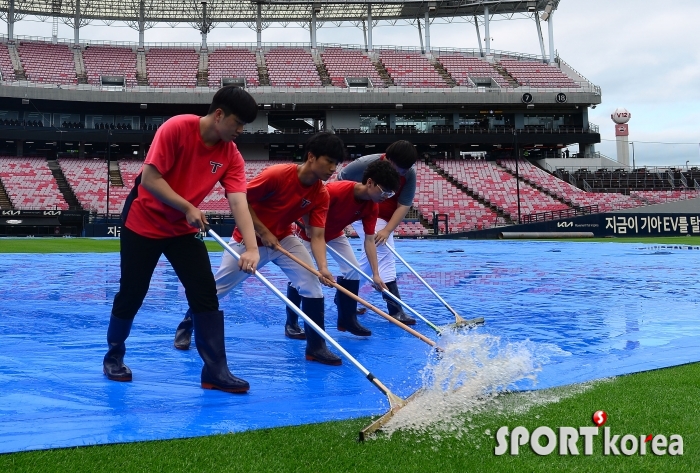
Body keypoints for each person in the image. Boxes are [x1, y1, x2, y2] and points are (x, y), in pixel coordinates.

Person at [102, 85, 261, 395]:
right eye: (238, 123)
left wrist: (252, 248)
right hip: (143, 223)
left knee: (204, 293)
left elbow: (239, 200)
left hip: (181, 231)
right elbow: (150, 178)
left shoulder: (231, 155)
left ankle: (215, 370)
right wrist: (188, 206)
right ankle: (113, 357)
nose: (241, 130)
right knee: (132, 292)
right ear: (219, 115)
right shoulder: (176, 128)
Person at [173, 131, 345, 366]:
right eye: (329, 161)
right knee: (218, 289)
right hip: (247, 240)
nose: (332, 168)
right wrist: (263, 232)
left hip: (283, 240)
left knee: (312, 284)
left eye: (336, 163)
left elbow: (317, 234)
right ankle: (187, 325)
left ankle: (316, 347)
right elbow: (241, 200)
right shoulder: (278, 174)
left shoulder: (321, 194)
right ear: (312, 157)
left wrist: (323, 268)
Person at [290, 159, 400, 337]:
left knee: (352, 271)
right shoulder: (336, 191)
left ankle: (347, 320)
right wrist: (309, 225)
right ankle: (292, 323)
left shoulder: (372, 206)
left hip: (334, 233)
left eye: (390, 193)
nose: (386, 197)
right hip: (309, 233)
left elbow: (369, 240)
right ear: (370, 182)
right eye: (384, 191)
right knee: (301, 276)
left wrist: (376, 274)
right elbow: (306, 203)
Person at [337, 140, 418, 325]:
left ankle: (344, 297)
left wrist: (388, 230)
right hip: (363, 210)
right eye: (400, 168)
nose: (403, 173)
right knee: (385, 252)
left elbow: (404, 205)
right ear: (388, 160)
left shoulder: (409, 174)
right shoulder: (366, 163)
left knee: (369, 261)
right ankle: (395, 310)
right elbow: (342, 182)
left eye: (407, 169)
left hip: (385, 217)